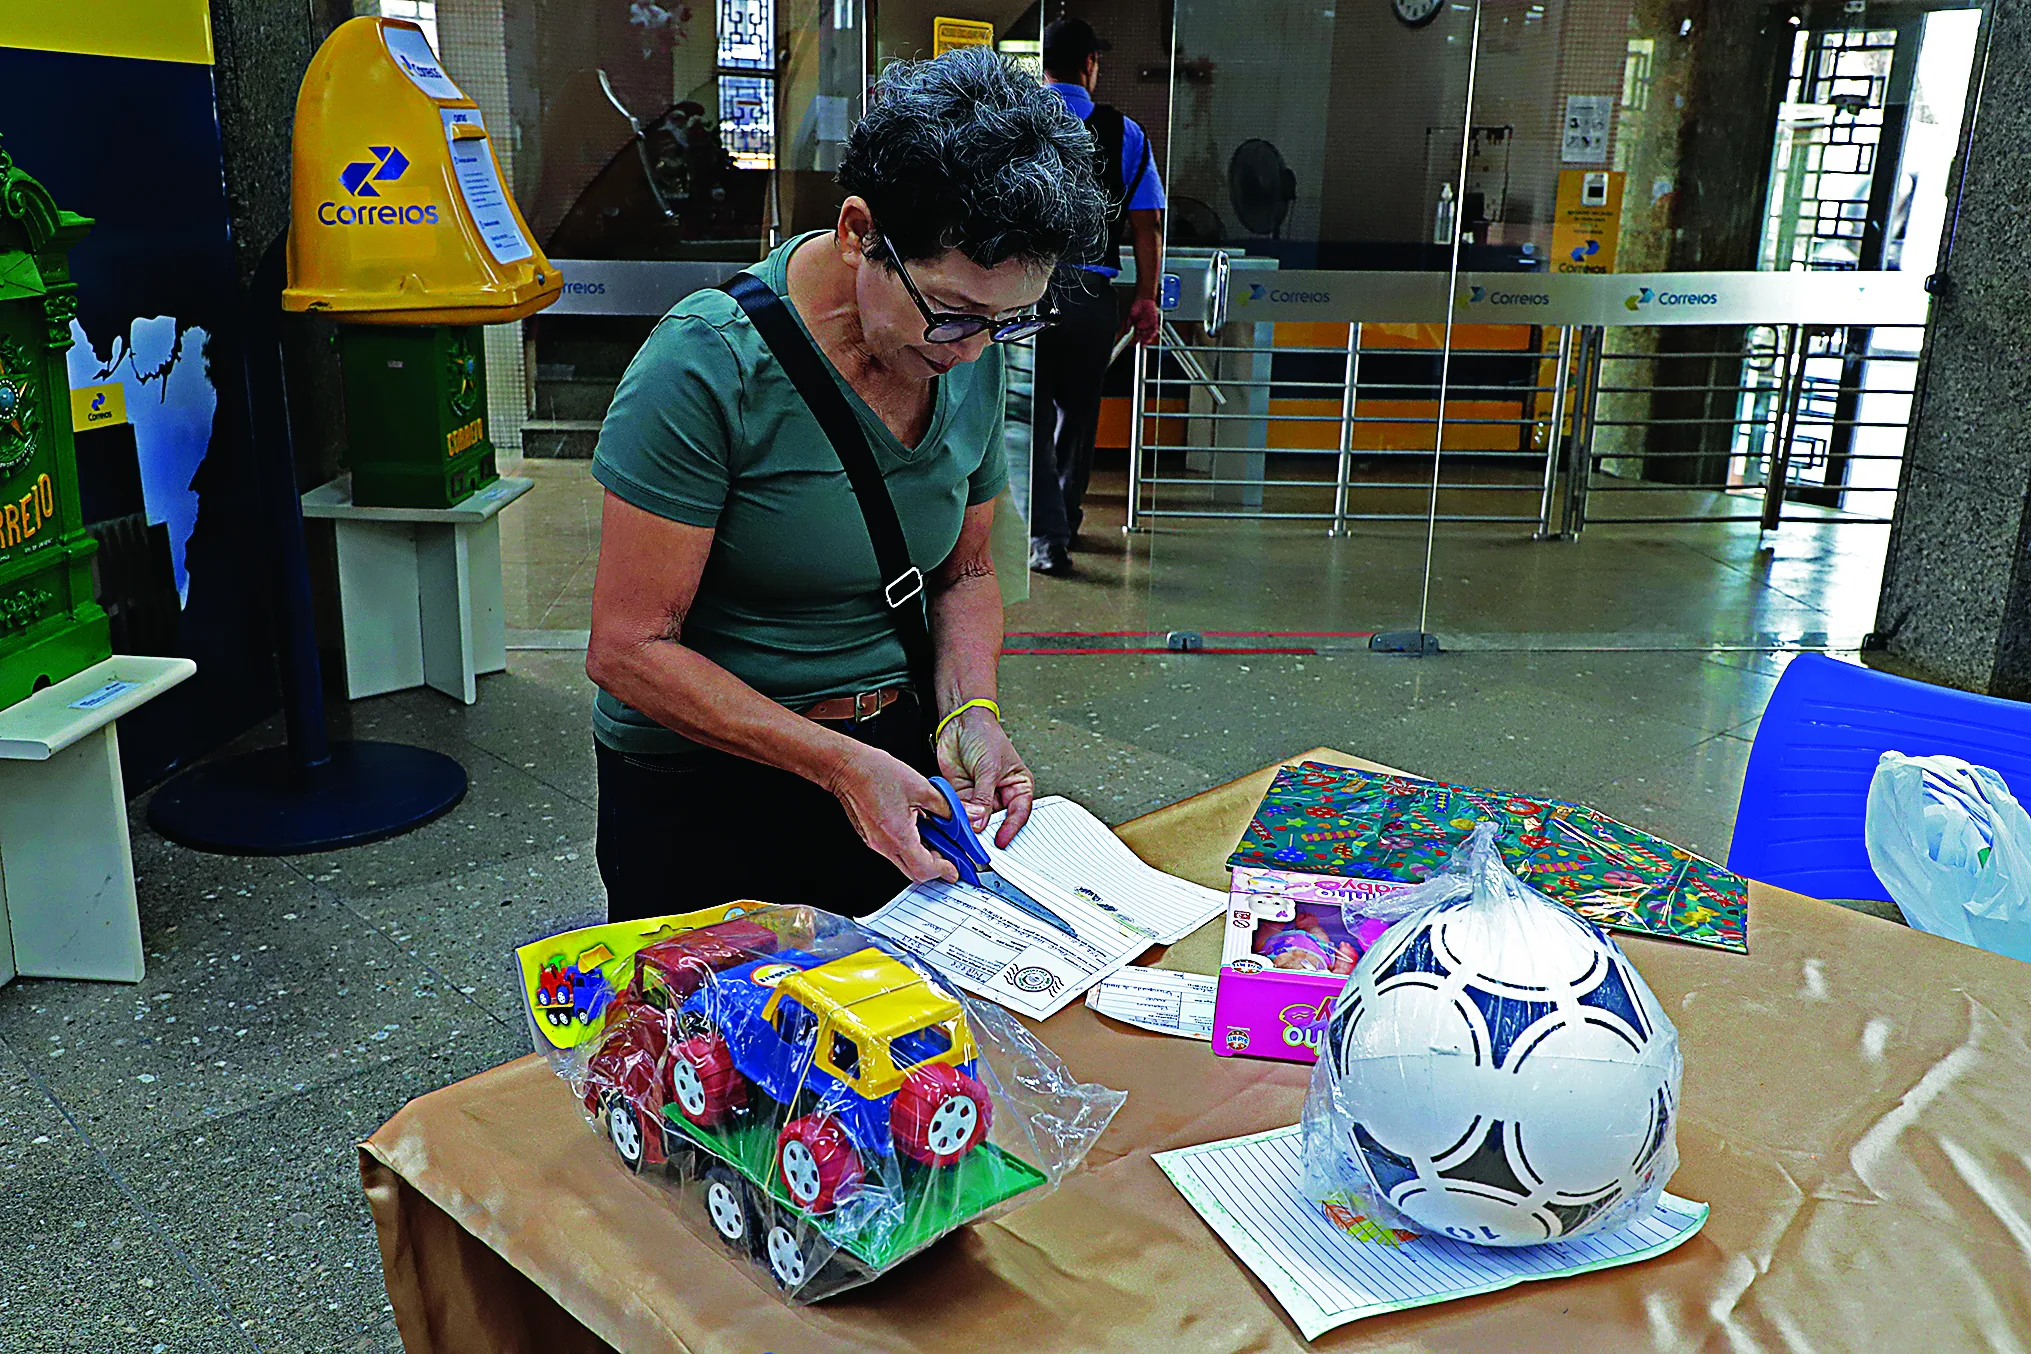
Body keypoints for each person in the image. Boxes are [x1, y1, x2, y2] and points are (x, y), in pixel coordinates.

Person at [584, 49, 1109, 922]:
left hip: (890, 760)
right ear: (860, 230)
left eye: (1007, 321)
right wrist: (834, 763)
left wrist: (967, 710)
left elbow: (965, 574)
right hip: (706, 783)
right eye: (952, 311)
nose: (974, 350)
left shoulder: (961, 352)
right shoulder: (706, 366)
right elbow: (629, 647)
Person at [1028, 16, 1167, 577]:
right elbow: (1148, 225)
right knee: (1078, 414)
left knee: (1028, 413)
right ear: (1090, 65)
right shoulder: (1125, 132)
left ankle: (1045, 536)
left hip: (1025, 292)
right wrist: (1147, 298)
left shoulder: (1018, 124)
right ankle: (1066, 518)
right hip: (1090, 293)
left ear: (1043, 68)